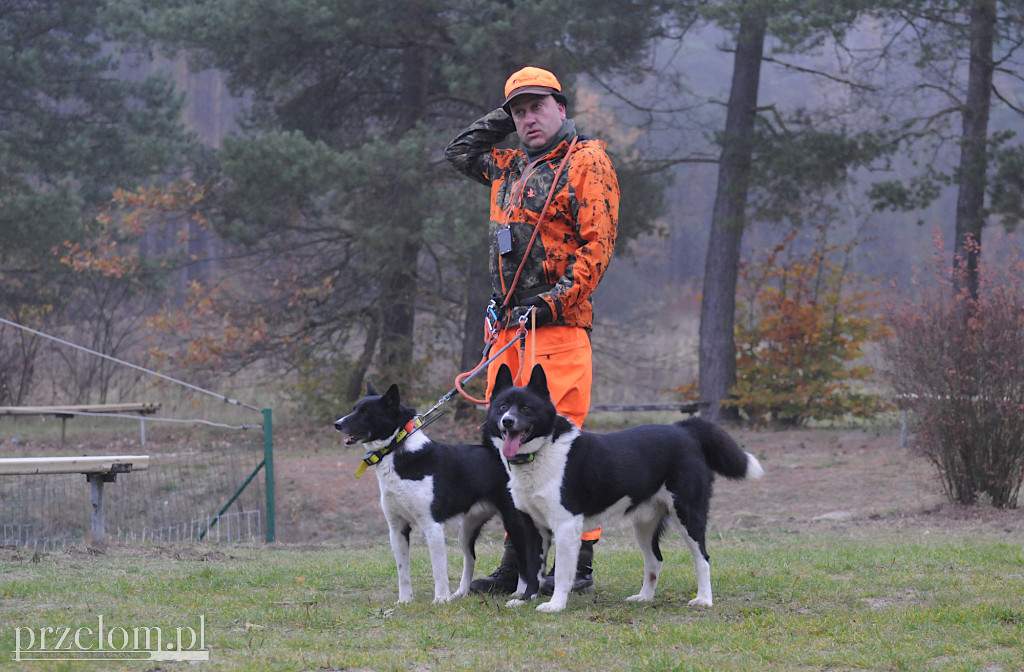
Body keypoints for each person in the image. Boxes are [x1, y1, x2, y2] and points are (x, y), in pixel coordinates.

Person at [445, 66, 620, 595]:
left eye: (537, 107)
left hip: (559, 327)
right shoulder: (509, 163)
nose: (528, 118)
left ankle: (578, 565)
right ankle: (520, 563)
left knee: (561, 449)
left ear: (562, 108)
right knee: (510, 448)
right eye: (519, 112)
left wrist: (551, 303)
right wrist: (508, 113)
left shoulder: (588, 159)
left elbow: (598, 248)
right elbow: (458, 152)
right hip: (508, 332)